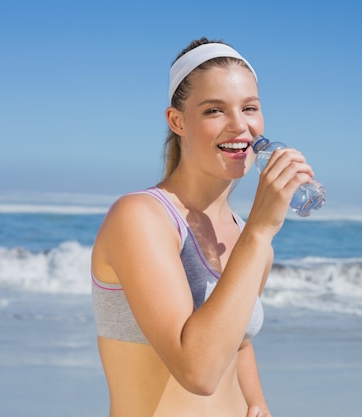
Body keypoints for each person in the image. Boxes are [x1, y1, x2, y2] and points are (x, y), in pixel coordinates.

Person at [91, 37, 315, 417]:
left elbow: (237, 343)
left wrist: (258, 402)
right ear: (177, 121)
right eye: (214, 110)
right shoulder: (141, 217)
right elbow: (197, 371)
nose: (239, 125)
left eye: (249, 108)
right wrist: (260, 231)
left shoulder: (248, 237)